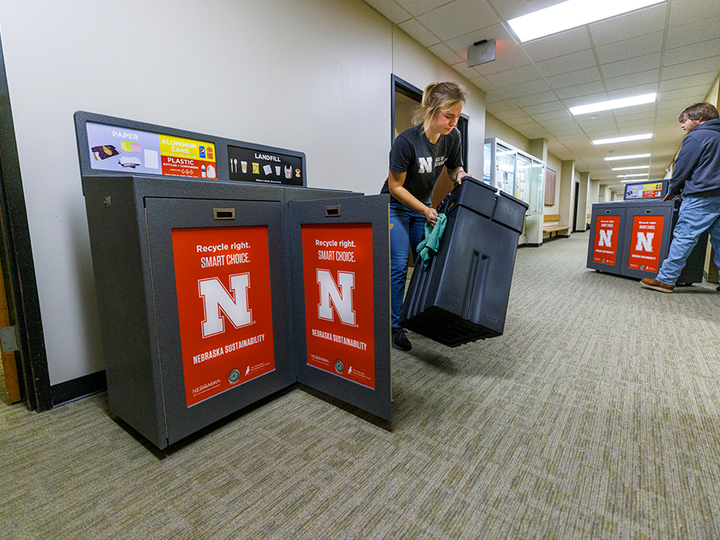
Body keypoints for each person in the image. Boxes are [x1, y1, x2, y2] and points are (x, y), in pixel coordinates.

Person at [381, 82, 470, 350]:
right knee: (398, 268)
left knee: (426, 261)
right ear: (431, 110)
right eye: (448, 116)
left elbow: (454, 168)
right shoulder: (406, 142)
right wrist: (423, 209)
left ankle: (419, 315)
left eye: (457, 116)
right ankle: (395, 327)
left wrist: (461, 176)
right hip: (395, 207)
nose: (453, 123)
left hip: (424, 207)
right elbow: (395, 187)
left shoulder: (452, 137)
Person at [640, 102, 720, 293]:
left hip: (701, 196)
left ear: (699, 119)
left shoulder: (697, 137)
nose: (682, 126)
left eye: (684, 121)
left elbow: (682, 167)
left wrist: (674, 189)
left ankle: (666, 280)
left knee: (684, 238)